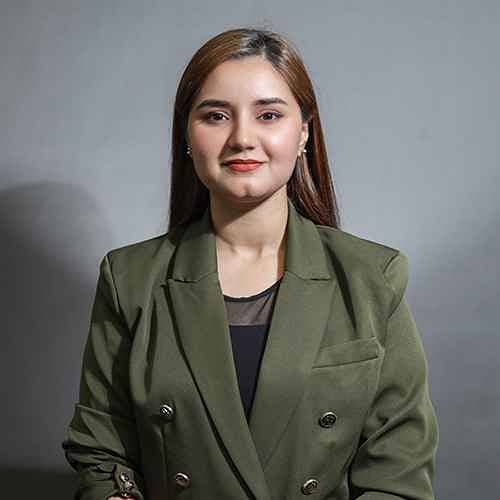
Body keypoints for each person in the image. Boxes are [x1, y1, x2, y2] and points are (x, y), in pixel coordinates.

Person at [62, 27, 439, 500]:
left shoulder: (372, 278)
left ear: (303, 133)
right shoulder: (129, 279)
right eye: (216, 116)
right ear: (187, 134)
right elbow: (101, 455)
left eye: (269, 115)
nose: (242, 137)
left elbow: (398, 471)